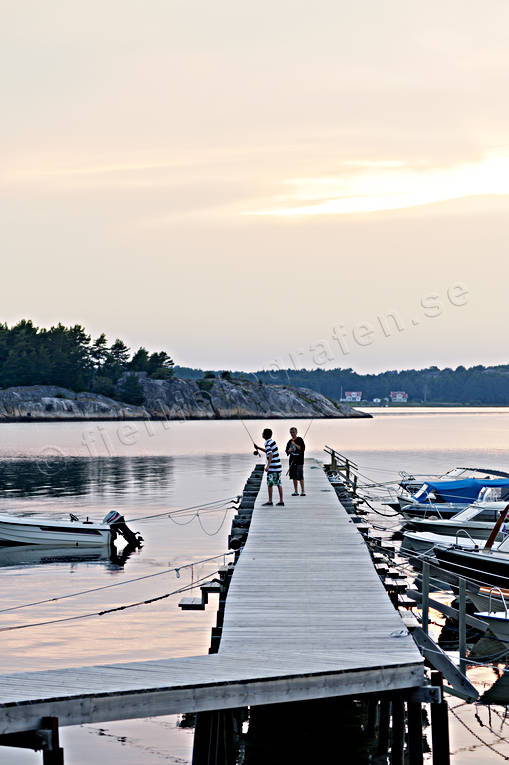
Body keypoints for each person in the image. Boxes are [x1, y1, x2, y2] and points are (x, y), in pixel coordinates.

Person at [253, 428, 284, 506]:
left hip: (273, 467)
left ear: (265, 435)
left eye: (263, 433)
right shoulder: (272, 442)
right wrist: (259, 448)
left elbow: (270, 454)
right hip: (278, 466)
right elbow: (268, 451)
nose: (262, 434)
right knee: (279, 483)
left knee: (270, 484)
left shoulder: (267, 443)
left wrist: (268, 466)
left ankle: (270, 501)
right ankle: (281, 501)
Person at [285, 426, 306, 496]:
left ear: (296, 432)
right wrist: (289, 450)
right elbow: (287, 451)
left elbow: (302, 448)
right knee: (294, 476)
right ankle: (296, 491)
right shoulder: (289, 441)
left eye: (293, 432)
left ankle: (303, 491)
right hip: (292, 461)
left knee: (300, 476)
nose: (292, 433)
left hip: (299, 461)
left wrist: (295, 444)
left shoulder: (300, 440)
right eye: (291, 432)